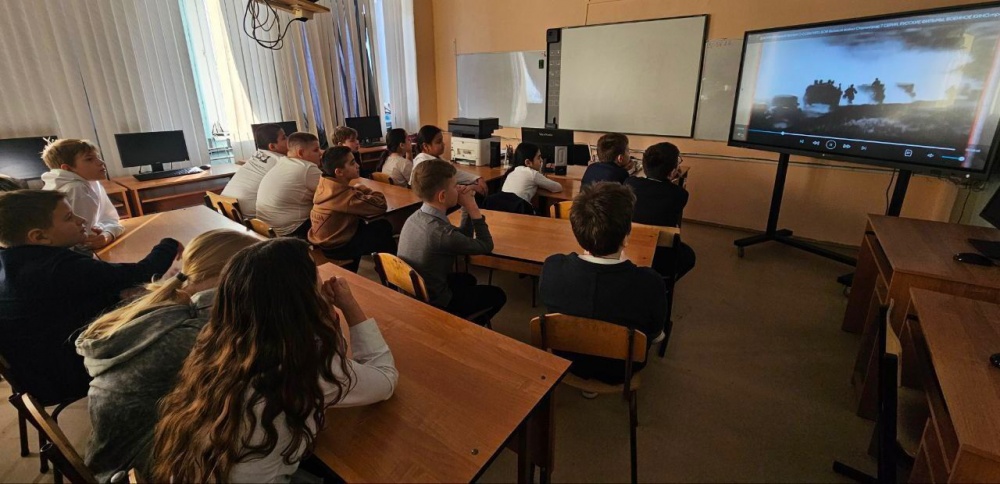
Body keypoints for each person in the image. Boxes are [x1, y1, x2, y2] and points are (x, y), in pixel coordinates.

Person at [152, 238, 398, 483]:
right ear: (301, 299)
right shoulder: (302, 365)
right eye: (316, 278)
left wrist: (324, 320)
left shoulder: (217, 346)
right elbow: (385, 379)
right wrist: (349, 306)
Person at [76, 229, 258, 483]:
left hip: (112, 457)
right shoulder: (192, 333)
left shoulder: (164, 306)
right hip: (145, 466)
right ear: (233, 278)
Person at [0, 190, 180, 405]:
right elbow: (141, 273)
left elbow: (69, 299)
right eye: (69, 217)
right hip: (70, 376)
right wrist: (169, 244)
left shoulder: (12, 263)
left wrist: (118, 293)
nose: (81, 220)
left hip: (35, 376)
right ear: (39, 237)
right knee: (177, 330)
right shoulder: (58, 267)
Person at [539, 182, 667, 389]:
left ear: (577, 232)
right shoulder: (650, 282)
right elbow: (655, 336)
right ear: (626, 238)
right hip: (621, 370)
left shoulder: (552, 266)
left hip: (566, 359)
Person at [397, 159, 506, 325]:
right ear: (442, 196)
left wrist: (465, 208)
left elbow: (462, 239)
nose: (460, 188)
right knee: (498, 295)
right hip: (436, 302)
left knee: (467, 279)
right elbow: (486, 245)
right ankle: (459, 328)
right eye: (455, 186)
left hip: (415, 293)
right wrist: (473, 208)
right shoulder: (442, 234)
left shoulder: (416, 217)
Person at [308, 146, 395, 270]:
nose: (358, 165)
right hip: (339, 247)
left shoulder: (324, 184)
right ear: (339, 172)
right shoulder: (346, 197)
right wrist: (365, 189)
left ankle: (382, 265)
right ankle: (390, 270)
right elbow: (381, 205)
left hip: (324, 243)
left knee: (365, 224)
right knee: (383, 227)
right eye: (352, 163)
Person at [625, 142, 696, 279]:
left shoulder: (630, 183)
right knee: (689, 255)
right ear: (672, 172)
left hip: (629, 247)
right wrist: (672, 180)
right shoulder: (680, 194)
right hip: (661, 256)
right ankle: (665, 283)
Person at [40, 139, 123, 252]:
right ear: (67, 168)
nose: (101, 162)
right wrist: (109, 233)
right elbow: (84, 240)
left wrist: (108, 234)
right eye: (89, 159)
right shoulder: (76, 188)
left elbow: (110, 220)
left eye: (98, 157)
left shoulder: (90, 182)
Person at [255, 132, 324, 237]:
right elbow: (334, 193)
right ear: (301, 152)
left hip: (265, 230)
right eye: (316, 150)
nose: (320, 153)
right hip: (290, 233)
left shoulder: (282, 162)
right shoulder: (307, 168)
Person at [221, 124, 289, 218]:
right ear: (272, 146)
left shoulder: (257, 154)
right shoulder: (281, 161)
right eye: (284, 138)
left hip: (225, 207)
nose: (289, 140)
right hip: (248, 216)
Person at [411, 125, 487, 195]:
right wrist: (472, 187)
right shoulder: (425, 164)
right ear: (425, 146)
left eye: (442, 141)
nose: (443, 144)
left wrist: (477, 178)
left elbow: (455, 173)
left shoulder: (436, 158)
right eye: (438, 142)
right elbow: (448, 182)